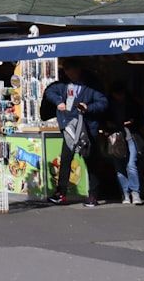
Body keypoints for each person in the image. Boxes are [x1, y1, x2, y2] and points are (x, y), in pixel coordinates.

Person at [44, 59, 108, 206]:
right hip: (69, 128)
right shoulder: (63, 84)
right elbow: (49, 91)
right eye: (66, 71)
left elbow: (103, 102)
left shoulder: (92, 84)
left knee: (90, 161)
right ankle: (61, 193)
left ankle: (93, 195)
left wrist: (88, 107)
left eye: (71, 71)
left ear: (78, 69)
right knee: (65, 160)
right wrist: (58, 101)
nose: (69, 74)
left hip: (86, 128)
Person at [105, 81, 144, 205]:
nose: (119, 97)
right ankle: (127, 193)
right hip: (117, 137)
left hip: (128, 136)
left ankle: (133, 193)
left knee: (129, 165)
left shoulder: (131, 103)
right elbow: (104, 120)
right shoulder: (108, 105)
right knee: (121, 166)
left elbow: (141, 119)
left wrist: (132, 122)